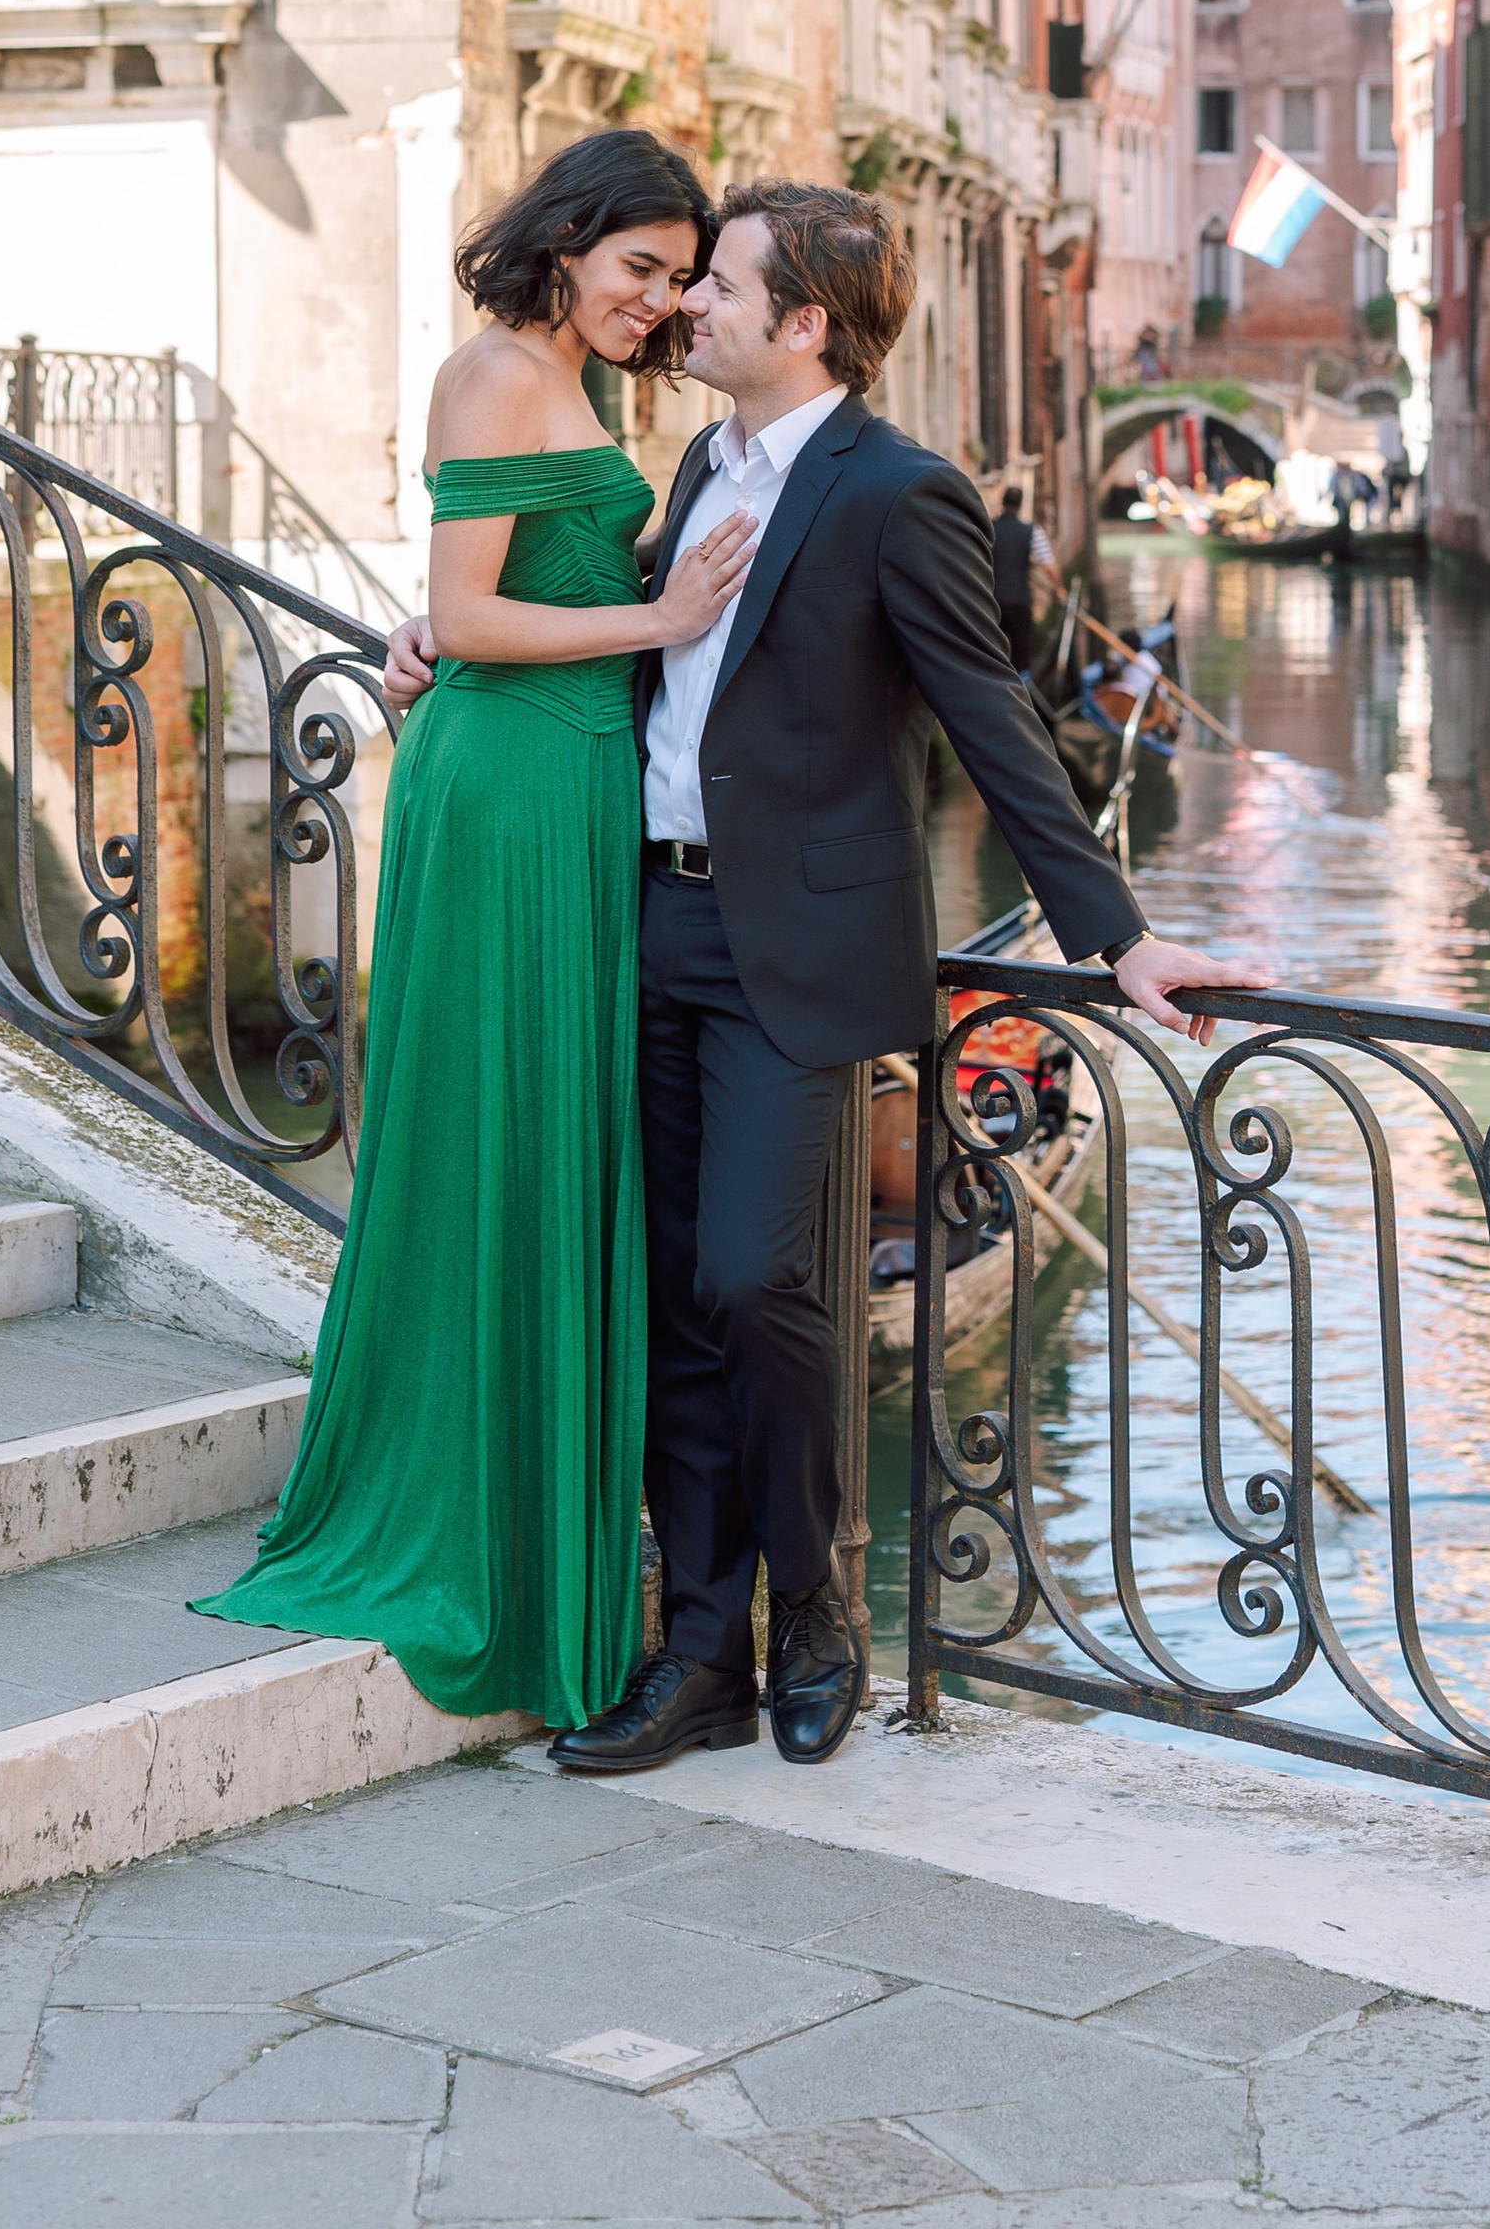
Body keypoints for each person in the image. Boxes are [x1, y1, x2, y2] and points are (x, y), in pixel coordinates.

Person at [384, 177, 1271, 1775]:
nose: (686, 307)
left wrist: (1119, 935)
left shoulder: (898, 492)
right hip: (644, 919)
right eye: (680, 279)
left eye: (716, 285)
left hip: (790, 952)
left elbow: (994, 717)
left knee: (757, 1280)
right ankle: (699, 1652)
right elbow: (625, 639)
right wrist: (438, 641)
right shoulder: (692, 468)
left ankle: (818, 1609)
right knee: (671, 1293)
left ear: (803, 323)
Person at [194, 130, 754, 1730]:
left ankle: (535, 1508)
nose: (660, 301)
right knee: (499, 1129)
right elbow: (476, 614)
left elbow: (496, 590)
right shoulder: (495, 372)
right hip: (509, 793)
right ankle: (471, 1518)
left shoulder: (572, 379)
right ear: (567, 243)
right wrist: (658, 613)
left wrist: (505, 619)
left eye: (680, 279)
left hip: (570, 783)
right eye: (640, 267)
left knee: (553, 1134)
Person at [989, 483, 1053, 675]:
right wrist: (1059, 589)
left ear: (1003, 503)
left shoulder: (989, 528)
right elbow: (1049, 565)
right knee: (1021, 653)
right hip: (1019, 601)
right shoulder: (1032, 531)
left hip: (992, 601)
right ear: (1020, 505)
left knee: (992, 651)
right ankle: (1021, 684)